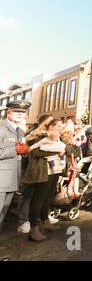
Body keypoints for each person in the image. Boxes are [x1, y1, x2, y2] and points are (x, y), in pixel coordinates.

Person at [22, 119, 65, 241]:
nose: (60, 128)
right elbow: (35, 151)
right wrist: (57, 152)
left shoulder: (56, 136)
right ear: (50, 126)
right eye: (58, 126)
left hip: (55, 170)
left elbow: (64, 149)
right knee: (38, 199)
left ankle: (45, 221)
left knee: (48, 197)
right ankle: (33, 230)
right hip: (43, 171)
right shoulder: (40, 136)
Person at [16, 114, 53, 234]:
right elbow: (29, 152)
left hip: (44, 168)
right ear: (43, 123)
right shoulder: (32, 134)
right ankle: (23, 222)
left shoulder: (49, 135)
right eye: (50, 123)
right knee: (27, 195)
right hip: (29, 168)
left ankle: (40, 218)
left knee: (40, 195)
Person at [0, 100, 31, 233]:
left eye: (23, 112)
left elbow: (20, 153)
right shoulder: (1, 129)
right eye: (17, 111)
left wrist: (25, 152)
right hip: (1, 179)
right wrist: (16, 149)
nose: (20, 114)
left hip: (12, 179)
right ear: (8, 112)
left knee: (2, 215)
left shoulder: (19, 131)